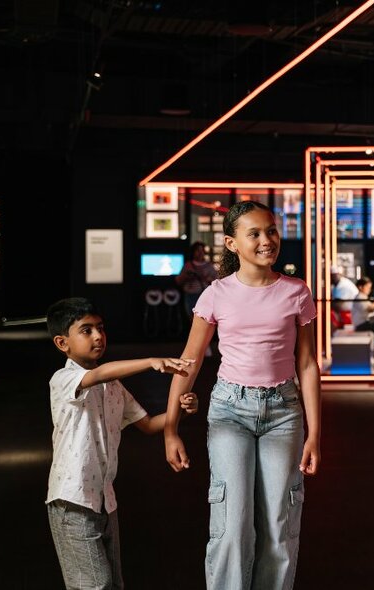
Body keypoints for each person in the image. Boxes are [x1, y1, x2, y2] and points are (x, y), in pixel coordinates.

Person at [163, 201, 321, 590]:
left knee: (279, 525)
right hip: (230, 412)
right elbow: (190, 361)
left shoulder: (297, 292)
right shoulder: (216, 294)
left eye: (271, 231)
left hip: (284, 413)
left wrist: (315, 433)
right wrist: (170, 428)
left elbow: (307, 365)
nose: (267, 240)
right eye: (254, 234)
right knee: (233, 524)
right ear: (232, 244)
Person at [44, 297, 198, 589]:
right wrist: (151, 361)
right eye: (86, 330)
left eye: (100, 328)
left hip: (104, 501)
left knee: (113, 583)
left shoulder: (113, 387)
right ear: (62, 343)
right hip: (72, 501)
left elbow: (149, 424)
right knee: (95, 585)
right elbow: (99, 373)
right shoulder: (63, 379)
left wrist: (181, 407)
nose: (98, 336)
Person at [177, 241, 218, 316]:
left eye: (202, 250)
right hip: (190, 296)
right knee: (192, 318)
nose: (200, 253)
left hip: (205, 296)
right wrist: (187, 276)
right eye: (198, 250)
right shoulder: (188, 265)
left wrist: (208, 279)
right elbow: (178, 280)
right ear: (193, 252)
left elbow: (217, 282)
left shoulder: (209, 266)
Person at [351, 277, 374, 359]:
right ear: (360, 287)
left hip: (363, 323)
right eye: (368, 287)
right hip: (360, 325)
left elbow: (370, 307)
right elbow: (369, 308)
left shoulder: (363, 297)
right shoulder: (360, 297)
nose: (369, 290)